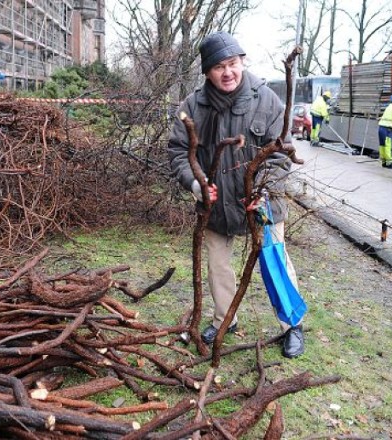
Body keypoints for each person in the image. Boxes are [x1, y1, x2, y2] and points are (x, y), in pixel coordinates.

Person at [167, 31, 304, 358]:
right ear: (207, 72)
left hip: (262, 201)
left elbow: (281, 153)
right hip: (215, 205)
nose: (227, 72)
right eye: (218, 67)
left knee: (275, 262)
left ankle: (292, 326)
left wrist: (264, 190)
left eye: (232, 63)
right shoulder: (192, 106)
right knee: (218, 268)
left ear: (242, 62)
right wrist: (196, 183)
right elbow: (177, 151)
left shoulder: (266, 99)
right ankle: (225, 319)